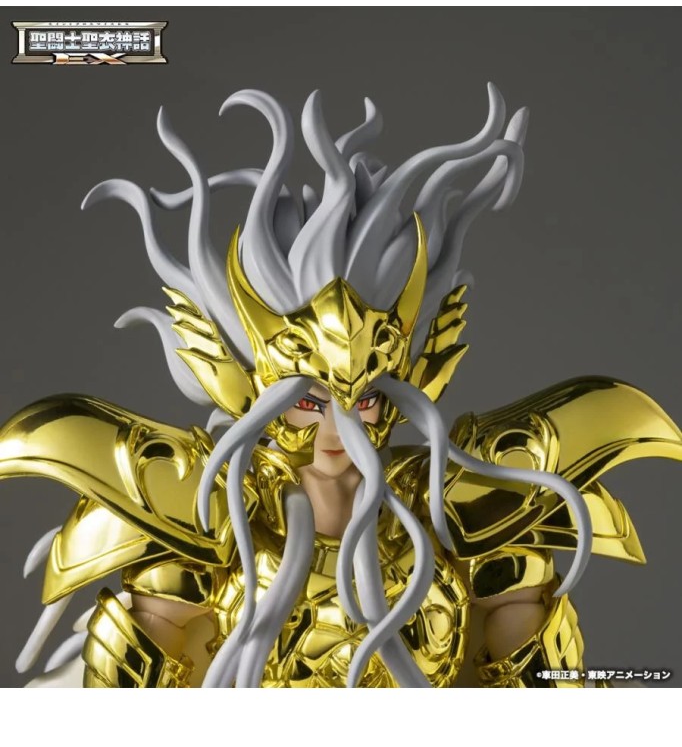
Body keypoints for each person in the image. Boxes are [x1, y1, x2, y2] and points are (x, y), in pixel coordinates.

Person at [2, 85, 681, 688]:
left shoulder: (469, 513)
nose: (339, 429)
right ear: (251, 389)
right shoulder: (197, 520)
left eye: (366, 400)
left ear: (407, 384)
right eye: (309, 402)